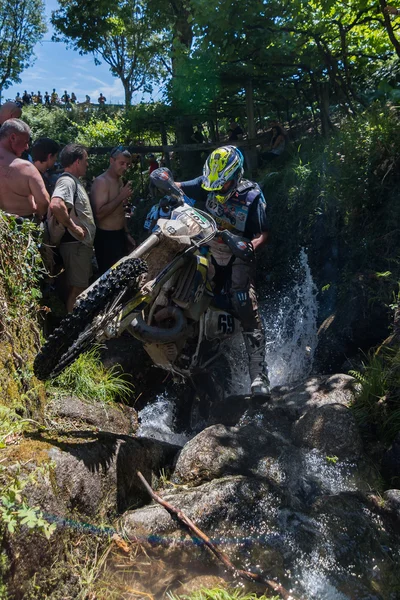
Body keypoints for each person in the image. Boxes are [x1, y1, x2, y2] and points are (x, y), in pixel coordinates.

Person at [175, 145, 270, 397]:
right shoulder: (210, 182)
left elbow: (263, 234)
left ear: (236, 176)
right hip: (208, 244)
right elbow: (180, 187)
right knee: (185, 270)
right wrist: (165, 183)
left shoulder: (252, 196)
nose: (216, 190)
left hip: (238, 251)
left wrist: (249, 246)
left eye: (223, 186)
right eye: (213, 185)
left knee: (242, 296)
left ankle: (259, 373)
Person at [50, 144, 95, 311]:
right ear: (77, 161)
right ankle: (73, 331)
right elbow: (56, 204)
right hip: (75, 245)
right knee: (78, 289)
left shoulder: (73, 181)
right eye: (86, 160)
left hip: (78, 246)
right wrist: (74, 227)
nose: (87, 164)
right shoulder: (67, 180)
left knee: (77, 287)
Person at [90, 146, 134, 274]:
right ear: (111, 161)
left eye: (127, 164)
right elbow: (99, 214)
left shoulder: (119, 180)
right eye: (121, 163)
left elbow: (120, 210)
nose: (125, 167)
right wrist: (121, 196)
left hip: (119, 235)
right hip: (106, 238)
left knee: (123, 275)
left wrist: (126, 233)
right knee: (109, 278)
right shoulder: (101, 182)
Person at [0, 119, 49, 219]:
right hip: (23, 226)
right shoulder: (26, 168)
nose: (27, 147)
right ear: (13, 137)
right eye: (25, 142)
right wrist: (38, 215)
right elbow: (43, 201)